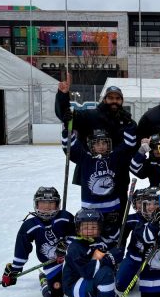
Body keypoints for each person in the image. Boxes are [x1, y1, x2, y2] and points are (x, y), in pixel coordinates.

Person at [55, 78, 137, 212]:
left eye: (118, 98)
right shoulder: (90, 115)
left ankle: (115, 233)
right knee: (93, 214)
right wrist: (63, 96)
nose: (114, 101)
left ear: (122, 101)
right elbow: (65, 115)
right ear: (104, 99)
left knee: (118, 211)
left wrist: (130, 125)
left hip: (119, 173)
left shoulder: (126, 120)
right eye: (110, 98)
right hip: (92, 170)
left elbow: (131, 145)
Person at [63, 123, 137, 246]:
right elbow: (70, 147)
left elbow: (129, 145)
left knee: (113, 239)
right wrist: (67, 130)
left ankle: (110, 261)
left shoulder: (114, 157)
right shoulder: (86, 159)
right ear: (91, 145)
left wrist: (128, 125)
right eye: (97, 143)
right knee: (90, 239)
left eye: (104, 143)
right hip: (90, 209)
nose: (101, 146)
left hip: (113, 209)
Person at [1, 187, 75, 297]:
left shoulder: (65, 217)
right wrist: (15, 269)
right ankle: (44, 281)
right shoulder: (29, 226)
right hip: (52, 265)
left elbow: (77, 234)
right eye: (43, 203)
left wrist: (67, 245)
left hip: (71, 260)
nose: (47, 207)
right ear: (36, 204)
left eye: (51, 203)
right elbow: (22, 248)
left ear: (57, 204)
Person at [57, 209, 121, 297]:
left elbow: (111, 248)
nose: (89, 231)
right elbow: (87, 272)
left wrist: (115, 252)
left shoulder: (99, 242)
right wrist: (110, 258)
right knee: (106, 274)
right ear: (78, 229)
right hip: (73, 285)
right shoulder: (75, 247)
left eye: (93, 228)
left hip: (87, 280)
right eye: (85, 228)